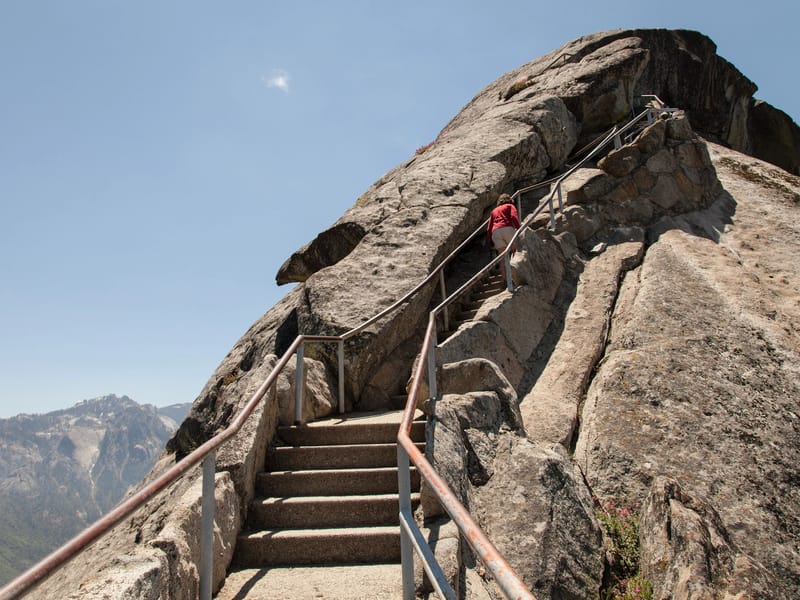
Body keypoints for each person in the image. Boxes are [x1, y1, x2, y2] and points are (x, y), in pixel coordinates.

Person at [487, 193, 521, 279]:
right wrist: (519, 229)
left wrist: (491, 242)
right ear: (509, 199)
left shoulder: (493, 211)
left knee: (502, 258)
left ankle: (505, 279)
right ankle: (516, 276)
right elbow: (513, 217)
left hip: (495, 232)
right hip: (507, 228)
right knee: (515, 251)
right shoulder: (510, 206)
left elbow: (489, 228)